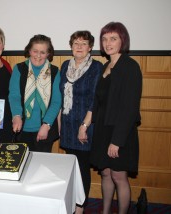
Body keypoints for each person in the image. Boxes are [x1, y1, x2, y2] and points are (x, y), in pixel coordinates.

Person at [90, 22, 142, 214]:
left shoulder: (130, 67)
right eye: (104, 39)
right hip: (103, 129)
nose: (108, 43)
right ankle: (104, 212)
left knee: (119, 176)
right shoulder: (106, 65)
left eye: (113, 38)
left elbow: (129, 108)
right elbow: (99, 101)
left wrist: (117, 141)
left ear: (123, 40)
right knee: (105, 173)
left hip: (120, 132)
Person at [59, 31, 102, 213]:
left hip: (85, 125)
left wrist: (84, 126)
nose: (79, 46)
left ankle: (80, 207)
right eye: (76, 43)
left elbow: (95, 100)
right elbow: (61, 97)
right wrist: (60, 123)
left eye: (83, 43)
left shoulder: (96, 67)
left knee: (82, 168)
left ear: (90, 47)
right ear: (71, 46)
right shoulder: (64, 66)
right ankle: (71, 202)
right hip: (68, 125)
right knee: (70, 167)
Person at [9, 34, 61, 152]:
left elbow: (56, 101)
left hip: (44, 130)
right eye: (35, 51)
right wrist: (16, 116)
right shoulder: (19, 69)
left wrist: (46, 125)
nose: (38, 55)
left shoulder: (55, 71)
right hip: (21, 130)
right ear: (29, 51)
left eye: (43, 52)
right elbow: (14, 96)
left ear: (48, 53)